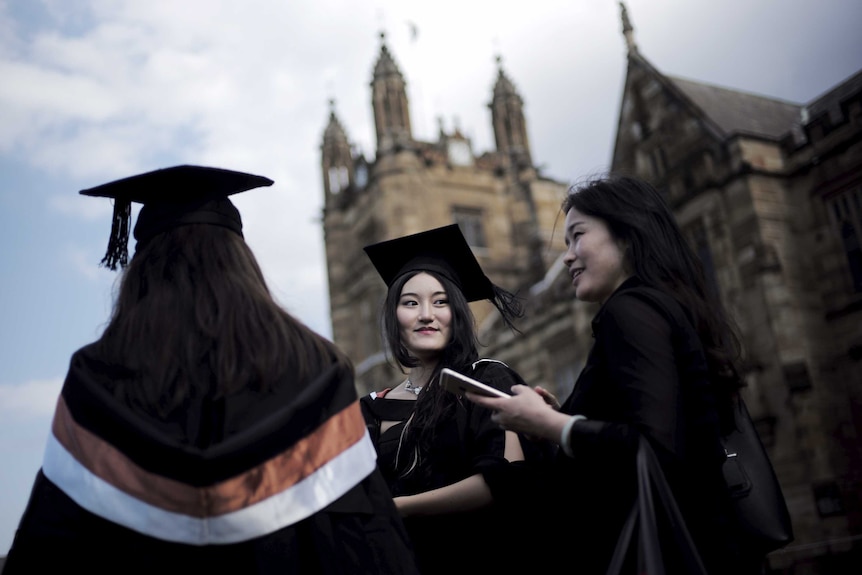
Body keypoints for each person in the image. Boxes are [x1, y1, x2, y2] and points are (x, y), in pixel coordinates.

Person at [3, 165, 419, 574]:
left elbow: (52, 540)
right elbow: (365, 537)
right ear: (241, 262)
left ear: (142, 270)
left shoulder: (95, 377)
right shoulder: (315, 367)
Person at [467, 174, 763, 574]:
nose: (567, 255)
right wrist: (562, 419)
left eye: (578, 236)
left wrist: (554, 424)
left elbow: (655, 449)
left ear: (626, 234)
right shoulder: (663, 305)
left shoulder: (630, 311)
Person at [360, 224, 544, 574]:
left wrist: (400, 507)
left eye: (440, 302)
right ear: (393, 316)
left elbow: (505, 480)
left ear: (456, 312)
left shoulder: (486, 380)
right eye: (410, 302)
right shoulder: (371, 407)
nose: (426, 314)